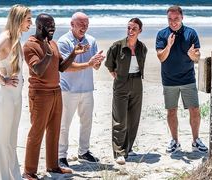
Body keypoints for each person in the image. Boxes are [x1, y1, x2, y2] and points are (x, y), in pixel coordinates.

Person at [22, 13, 96, 179]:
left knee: (54, 130)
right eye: (49, 26)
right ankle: (29, 171)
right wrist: (48, 52)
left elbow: (61, 67)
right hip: (40, 94)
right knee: (37, 132)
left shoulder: (52, 44)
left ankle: (53, 166)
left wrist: (73, 54)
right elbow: (38, 70)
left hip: (56, 91)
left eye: (54, 25)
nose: (52, 29)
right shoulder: (30, 45)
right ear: (39, 27)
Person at [0, 4, 32, 180]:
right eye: (28, 20)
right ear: (18, 19)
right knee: (3, 141)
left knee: (11, 141)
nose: (31, 23)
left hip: (16, 97)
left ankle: (13, 176)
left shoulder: (17, 39)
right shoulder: (5, 37)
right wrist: (3, 80)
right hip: (5, 97)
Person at [155, 5, 208, 153]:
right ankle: (175, 141)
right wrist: (169, 46)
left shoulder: (191, 33)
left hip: (188, 79)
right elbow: (161, 57)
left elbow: (197, 58)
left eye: (176, 19)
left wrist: (193, 55)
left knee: (195, 110)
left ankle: (196, 140)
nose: (173, 22)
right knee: (171, 111)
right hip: (169, 80)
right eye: (170, 19)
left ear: (182, 17)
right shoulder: (162, 34)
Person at [57, 12, 105, 168]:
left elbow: (95, 66)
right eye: (81, 24)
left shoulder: (91, 40)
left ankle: (84, 151)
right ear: (72, 24)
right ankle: (61, 156)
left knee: (87, 122)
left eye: (86, 24)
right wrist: (90, 64)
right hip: (68, 90)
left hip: (87, 89)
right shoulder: (64, 41)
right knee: (64, 124)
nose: (84, 27)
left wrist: (97, 62)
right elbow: (66, 67)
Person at [105, 18, 147, 165]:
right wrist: (116, 75)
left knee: (133, 119)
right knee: (120, 119)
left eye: (134, 28)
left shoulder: (142, 48)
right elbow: (109, 64)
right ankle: (119, 153)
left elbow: (141, 64)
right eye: (129, 28)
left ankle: (127, 148)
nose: (130, 31)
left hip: (137, 83)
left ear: (140, 31)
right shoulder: (117, 46)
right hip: (121, 83)